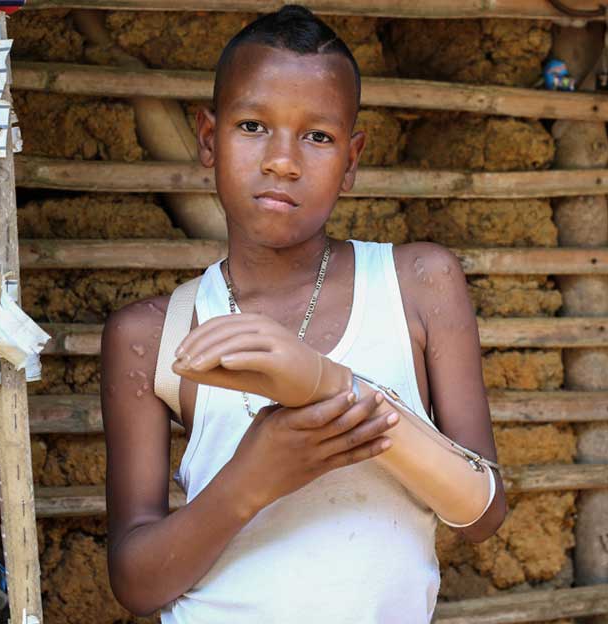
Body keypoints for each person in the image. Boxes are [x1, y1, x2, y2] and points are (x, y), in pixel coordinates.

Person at [99, 6, 507, 623]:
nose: (283, 160)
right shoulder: (153, 334)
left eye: (318, 136)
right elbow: (136, 582)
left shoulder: (418, 284)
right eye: (253, 126)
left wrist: (328, 386)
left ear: (351, 160)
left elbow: (484, 512)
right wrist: (252, 479)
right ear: (209, 139)